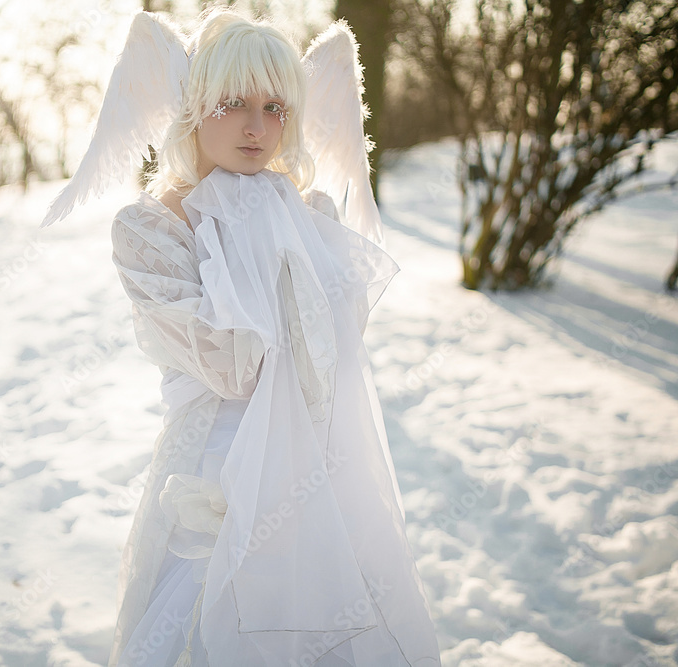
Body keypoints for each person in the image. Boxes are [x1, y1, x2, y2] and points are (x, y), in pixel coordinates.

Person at [42, 8, 442, 667]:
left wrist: (275, 225)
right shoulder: (151, 231)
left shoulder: (311, 214)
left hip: (317, 466)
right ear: (193, 104)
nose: (257, 127)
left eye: (275, 107)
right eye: (233, 104)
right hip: (211, 468)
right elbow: (236, 368)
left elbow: (331, 357)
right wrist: (252, 230)